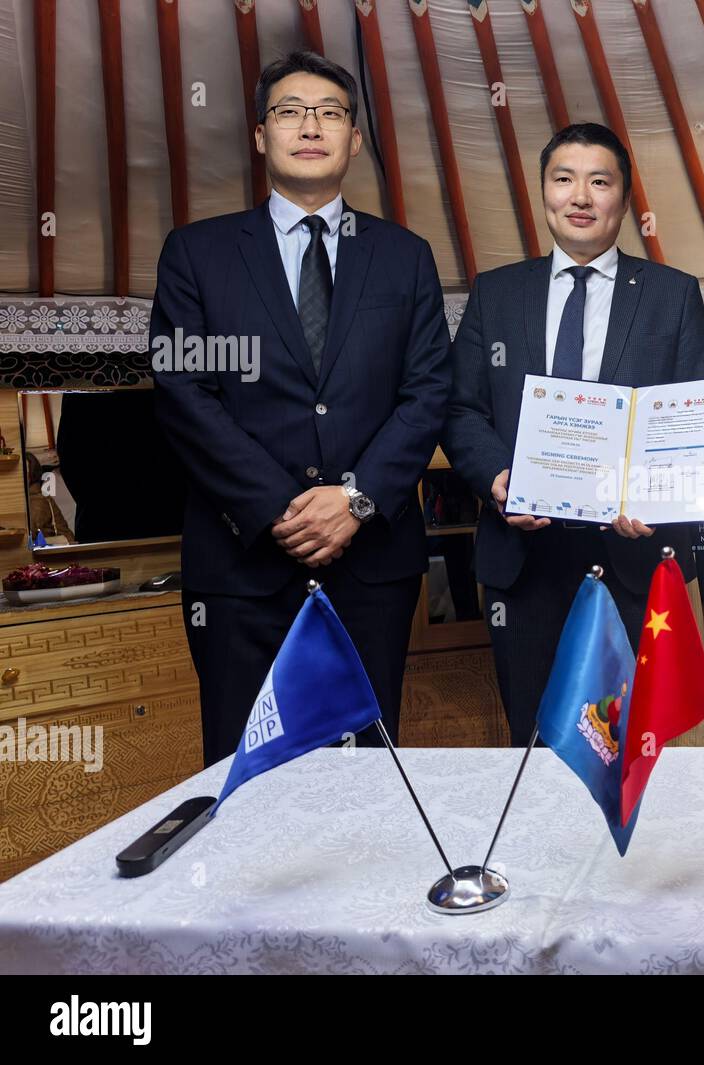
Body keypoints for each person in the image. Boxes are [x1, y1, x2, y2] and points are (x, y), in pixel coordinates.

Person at [151, 51, 450, 765]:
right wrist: (280, 505)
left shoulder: (404, 256)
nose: (310, 125)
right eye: (289, 110)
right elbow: (186, 394)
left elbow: (428, 389)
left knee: (368, 771)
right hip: (242, 567)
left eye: (331, 112)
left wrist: (355, 500)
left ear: (353, 139)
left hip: (372, 566)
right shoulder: (199, 254)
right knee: (246, 768)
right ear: (261, 136)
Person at [442, 123, 704, 746]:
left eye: (600, 181)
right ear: (544, 194)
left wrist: (655, 495)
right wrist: (497, 480)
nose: (581, 197)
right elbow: (460, 409)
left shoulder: (673, 296)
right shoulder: (496, 294)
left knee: (630, 750)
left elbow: (694, 420)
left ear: (623, 196)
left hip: (631, 559)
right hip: (524, 567)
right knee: (534, 743)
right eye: (564, 180)